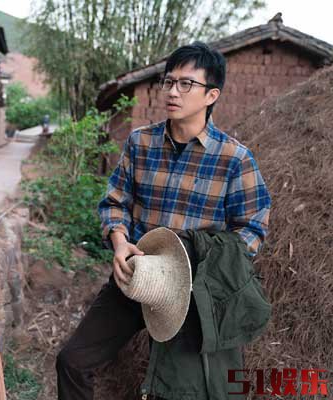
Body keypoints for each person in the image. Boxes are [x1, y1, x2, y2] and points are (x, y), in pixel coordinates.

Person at [56, 41, 272, 399]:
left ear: (211, 94)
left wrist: (207, 268)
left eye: (186, 84)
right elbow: (114, 201)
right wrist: (120, 242)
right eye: (168, 82)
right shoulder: (141, 142)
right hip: (138, 276)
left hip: (191, 292)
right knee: (72, 361)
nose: (173, 91)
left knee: (179, 391)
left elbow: (252, 228)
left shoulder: (235, 158)